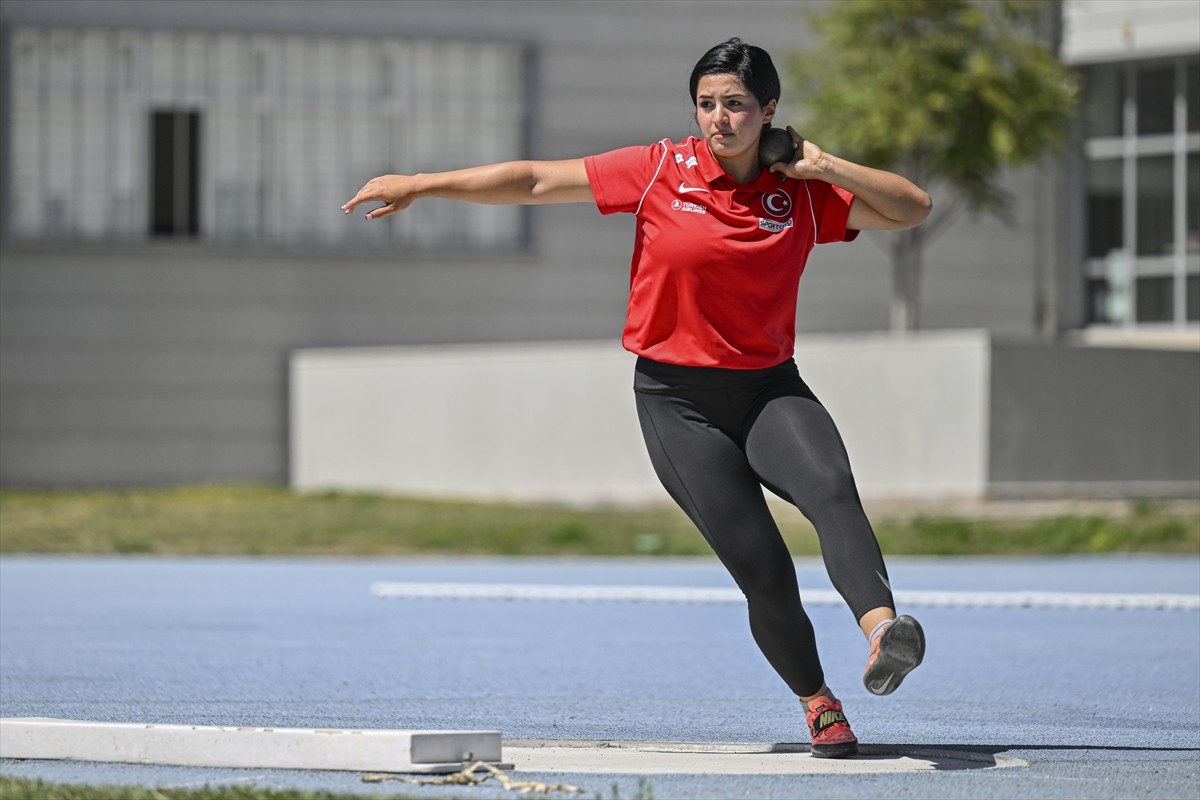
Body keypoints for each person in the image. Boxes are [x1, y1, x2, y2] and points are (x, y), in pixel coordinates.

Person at [342, 37, 931, 759]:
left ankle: (883, 633)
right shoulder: (658, 169)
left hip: (770, 389)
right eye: (707, 104)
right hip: (678, 402)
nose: (719, 119)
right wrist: (421, 183)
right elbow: (534, 180)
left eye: (736, 104)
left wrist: (821, 164)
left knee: (832, 490)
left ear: (769, 110)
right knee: (764, 569)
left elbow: (912, 208)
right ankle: (818, 703)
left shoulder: (800, 194)